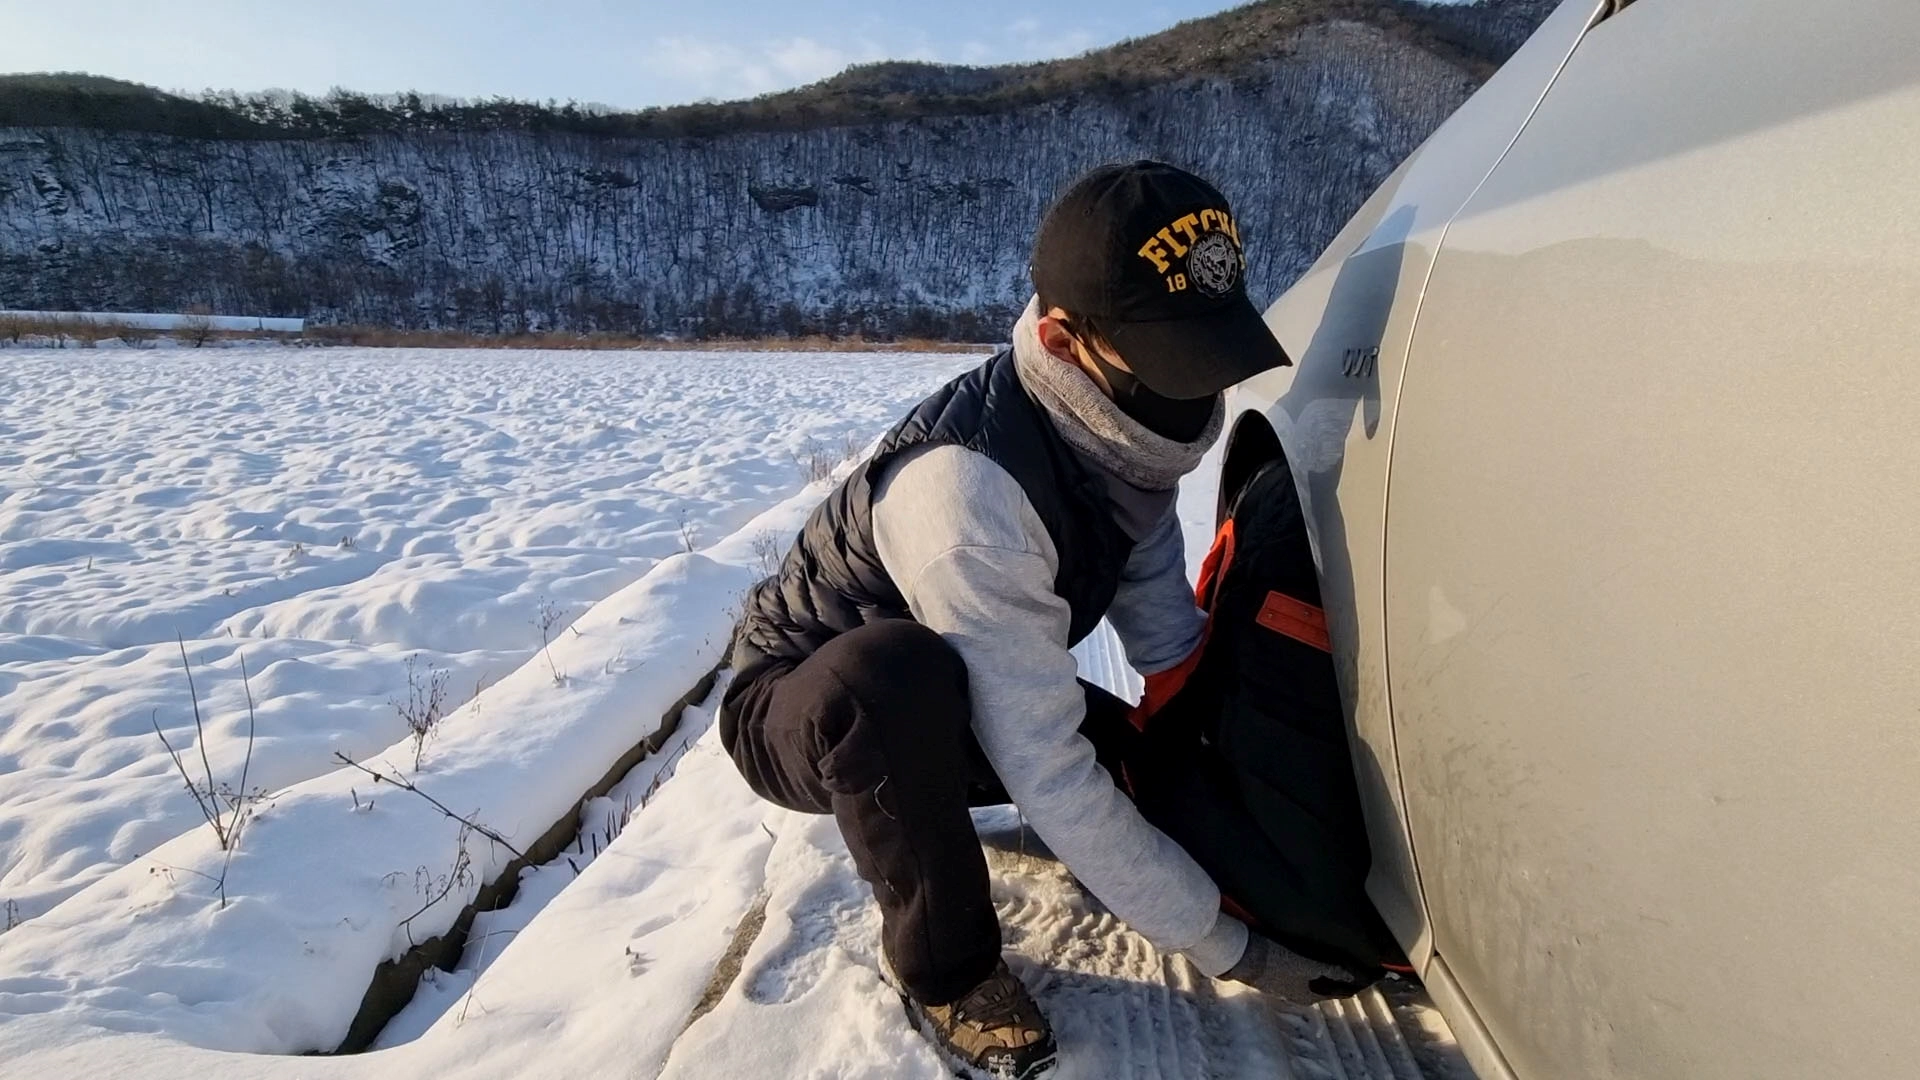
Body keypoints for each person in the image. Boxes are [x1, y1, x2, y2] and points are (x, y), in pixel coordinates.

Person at [719, 161, 1368, 1080]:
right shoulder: (968, 503)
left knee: (1125, 750)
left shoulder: (1109, 427)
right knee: (897, 683)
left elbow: (1154, 603)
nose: (1192, 397)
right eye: (1164, 361)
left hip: (954, 678)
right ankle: (943, 971)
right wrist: (1233, 950)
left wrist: (1228, 759)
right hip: (809, 704)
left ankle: (946, 803)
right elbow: (1045, 766)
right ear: (1065, 341)